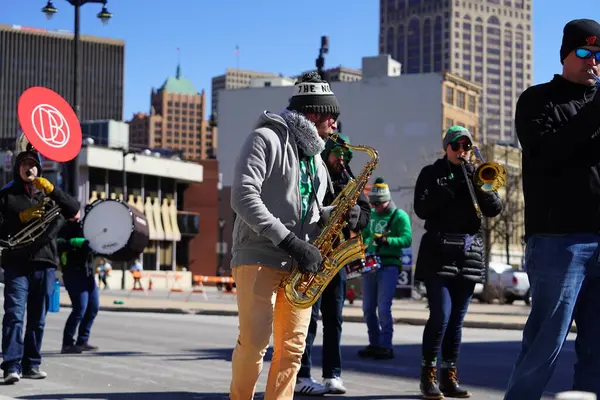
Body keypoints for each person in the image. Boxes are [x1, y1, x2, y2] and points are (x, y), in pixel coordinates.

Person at [229, 71, 345, 400]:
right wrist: (290, 241)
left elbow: (313, 213)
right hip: (259, 256)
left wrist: (340, 214)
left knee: (292, 350)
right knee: (253, 345)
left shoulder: (318, 163)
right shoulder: (265, 139)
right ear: (313, 114)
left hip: (299, 267)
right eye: (332, 117)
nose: (335, 125)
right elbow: (243, 197)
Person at [504, 19, 600, 399]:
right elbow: (549, 153)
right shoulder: (537, 99)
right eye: (584, 53)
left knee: (597, 347)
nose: (593, 61)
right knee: (547, 340)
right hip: (559, 241)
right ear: (565, 55)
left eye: (599, 55)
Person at [413, 126, 502, 399]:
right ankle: (428, 376)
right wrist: (452, 186)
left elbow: (494, 209)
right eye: (456, 146)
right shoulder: (431, 173)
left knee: (456, 321)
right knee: (440, 315)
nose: (461, 151)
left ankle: (449, 376)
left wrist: (480, 185)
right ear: (446, 147)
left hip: (468, 254)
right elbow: (422, 208)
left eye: (466, 146)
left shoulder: (477, 175)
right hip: (438, 253)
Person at [295, 134, 371, 395]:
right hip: (313, 253)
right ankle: (302, 375)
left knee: (334, 319)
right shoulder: (314, 175)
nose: (342, 159)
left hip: (336, 256)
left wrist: (358, 217)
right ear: (326, 153)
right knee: (309, 319)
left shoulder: (349, 181)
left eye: (345, 156)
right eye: (337, 154)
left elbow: (365, 215)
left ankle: (332, 375)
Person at [0, 143, 79, 384]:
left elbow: (73, 209)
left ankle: (31, 364)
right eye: (25, 163)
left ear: (40, 169)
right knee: (14, 314)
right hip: (16, 263)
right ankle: (11, 366)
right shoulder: (6, 194)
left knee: (38, 318)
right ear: (17, 167)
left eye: (33, 164)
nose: (29, 167)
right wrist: (20, 219)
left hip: (44, 262)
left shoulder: (48, 192)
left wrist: (52, 189)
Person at [358, 177, 412, 360]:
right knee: (367, 308)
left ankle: (386, 346)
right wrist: (363, 246)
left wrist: (387, 240)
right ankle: (374, 344)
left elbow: (407, 239)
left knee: (383, 307)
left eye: (378, 204)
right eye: (372, 204)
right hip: (370, 265)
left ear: (387, 200)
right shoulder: (372, 214)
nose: (375, 207)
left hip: (388, 265)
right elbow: (365, 235)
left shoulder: (400, 216)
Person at [58, 211, 100, 354]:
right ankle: (67, 344)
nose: (76, 213)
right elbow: (58, 243)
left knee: (93, 307)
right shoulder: (62, 226)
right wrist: (74, 242)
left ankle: (82, 340)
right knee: (79, 308)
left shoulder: (86, 227)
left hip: (88, 273)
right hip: (73, 273)